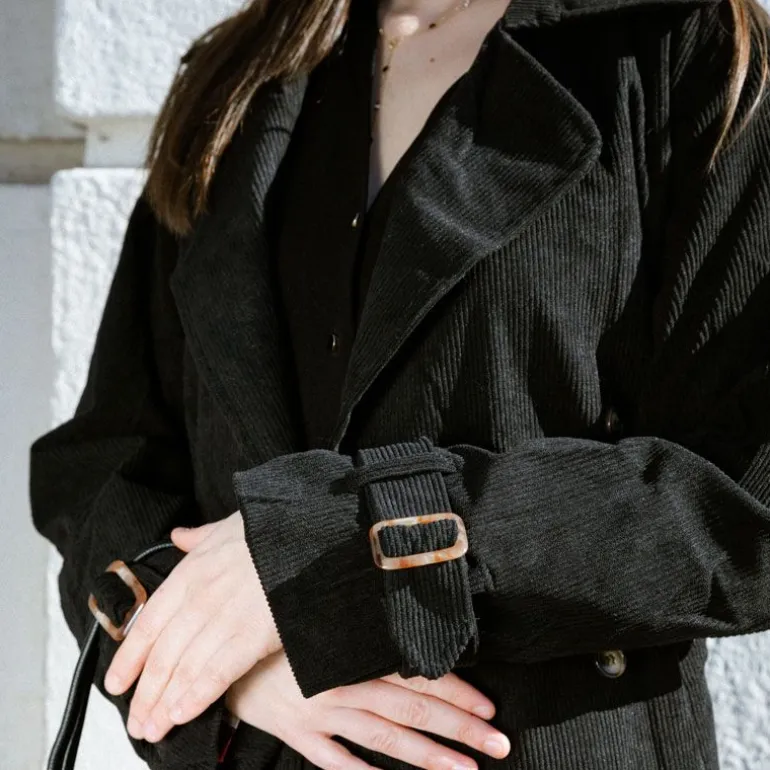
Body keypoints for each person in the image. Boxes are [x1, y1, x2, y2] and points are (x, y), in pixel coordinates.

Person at [29, 0, 770, 767]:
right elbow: (107, 465)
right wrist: (218, 671)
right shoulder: (243, 73)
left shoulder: (678, 42)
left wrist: (334, 560)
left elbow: (748, 489)